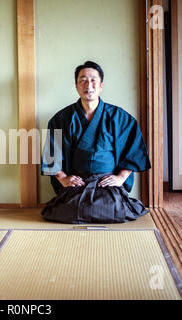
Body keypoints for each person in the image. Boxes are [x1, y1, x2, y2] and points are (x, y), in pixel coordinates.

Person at [41, 61, 151, 224]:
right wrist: (64, 178)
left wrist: (120, 177)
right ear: (76, 86)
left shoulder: (120, 117)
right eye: (83, 80)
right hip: (78, 181)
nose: (88, 85)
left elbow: (133, 150)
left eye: (93, 80)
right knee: (66, 212)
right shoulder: (61, 119)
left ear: (101, 85)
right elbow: (51, 154)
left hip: (107, 182)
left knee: (115, 210)